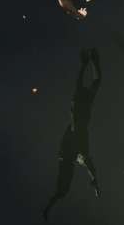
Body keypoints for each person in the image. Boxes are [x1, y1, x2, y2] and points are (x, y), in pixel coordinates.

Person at [43, 48, 102, 221]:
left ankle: (91, 61)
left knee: (92, 85)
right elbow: (88, 167)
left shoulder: (75, 151)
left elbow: (87, 167)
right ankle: (91, 61)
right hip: (79, 118)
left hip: (78, 120)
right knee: (93, 84)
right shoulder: (78, 153)